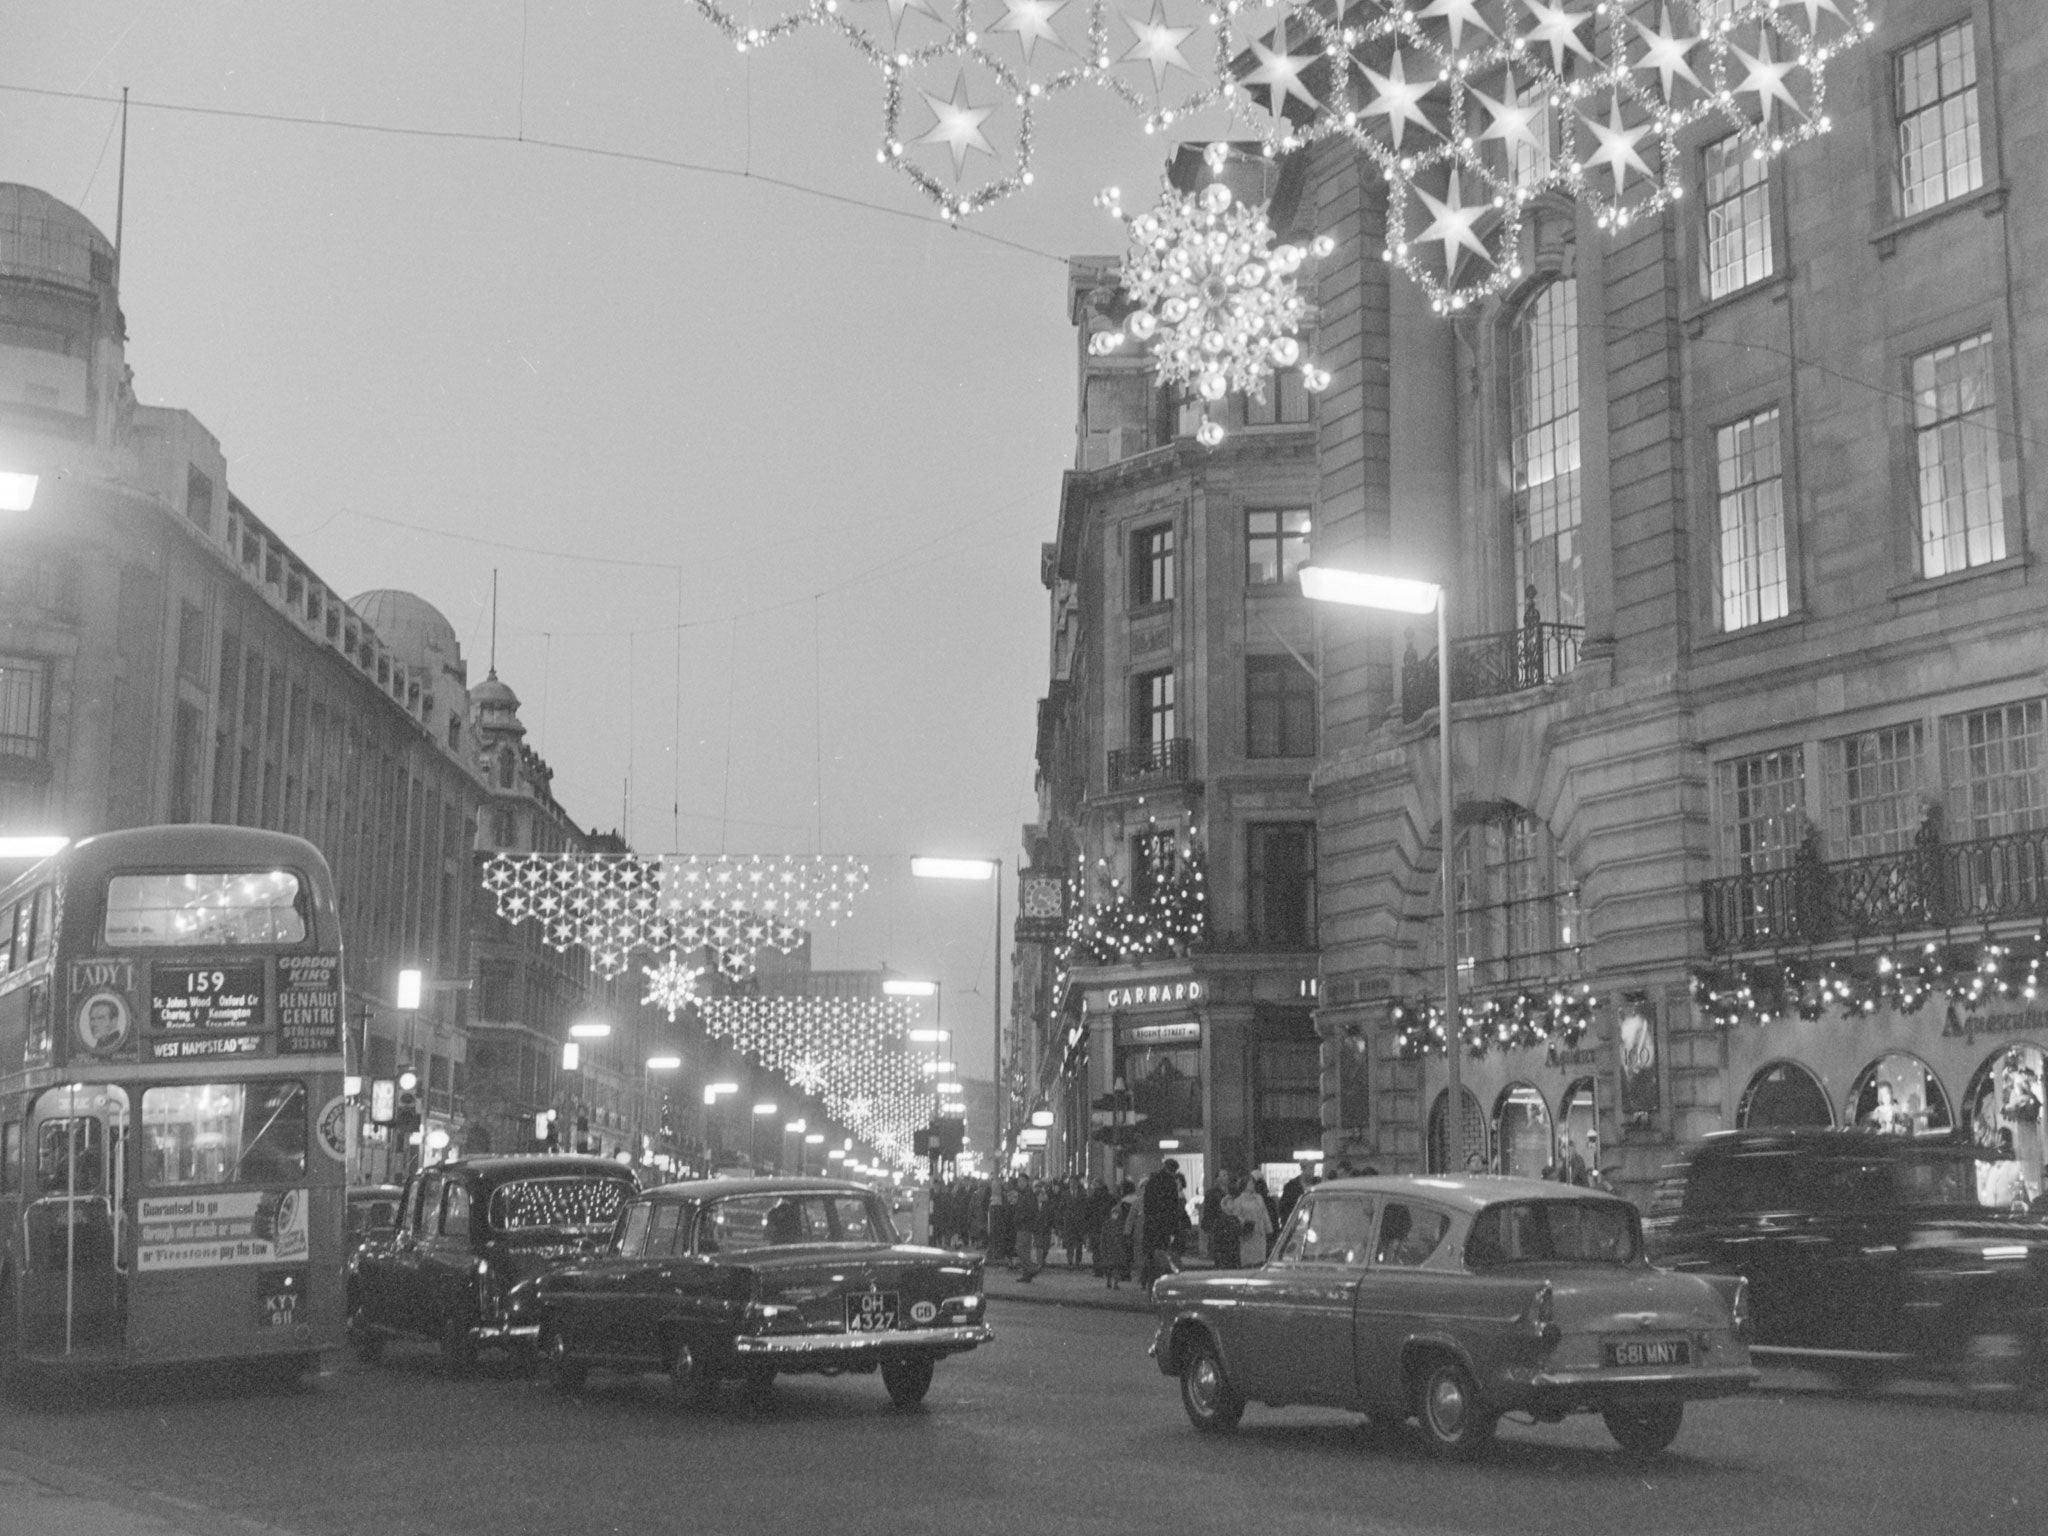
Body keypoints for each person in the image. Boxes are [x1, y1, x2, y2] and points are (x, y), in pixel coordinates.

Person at [1225, 1172, 1271, 1265]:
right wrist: (1244, 1222)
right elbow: (1236, 1216)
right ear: (1244, 1185)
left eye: (1253, 1183)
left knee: (1260, 1257)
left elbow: (1264, 1213)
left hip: (1260, 1232)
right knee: (1249, 1256)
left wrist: (1268, 1228)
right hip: (1248, 1232)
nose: (1252, 1186)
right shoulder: (1239, 1201)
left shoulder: (1259, 1198)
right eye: (1250, 1184)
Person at [1277, 1160, 1315, 1226]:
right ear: (1303, 1169)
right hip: (1295, 1224)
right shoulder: (1291, 1186)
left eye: (1313, 1169)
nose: (1312, 1172)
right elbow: (1284, 1208)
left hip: (1313, 1222)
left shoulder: (1316, 1184)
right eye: (1310, 1168)